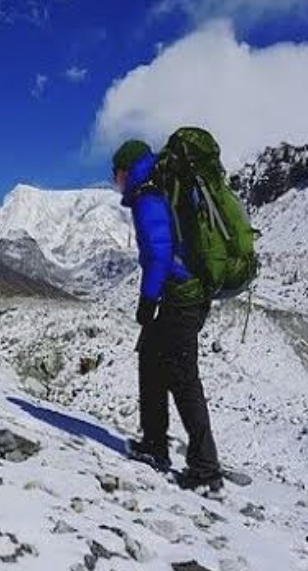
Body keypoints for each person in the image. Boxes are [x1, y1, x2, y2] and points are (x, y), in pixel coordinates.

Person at [112, 139, 224, 494]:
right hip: (186, 295)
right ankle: (155, 445)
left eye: (115, 175)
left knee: (182, 376)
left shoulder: (148, 196)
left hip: (181, 296)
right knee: (151, 359)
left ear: (125, 170)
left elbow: (159, 253)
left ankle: (206, 470)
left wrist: (148, 300)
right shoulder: (160, 188)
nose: (115, 183)